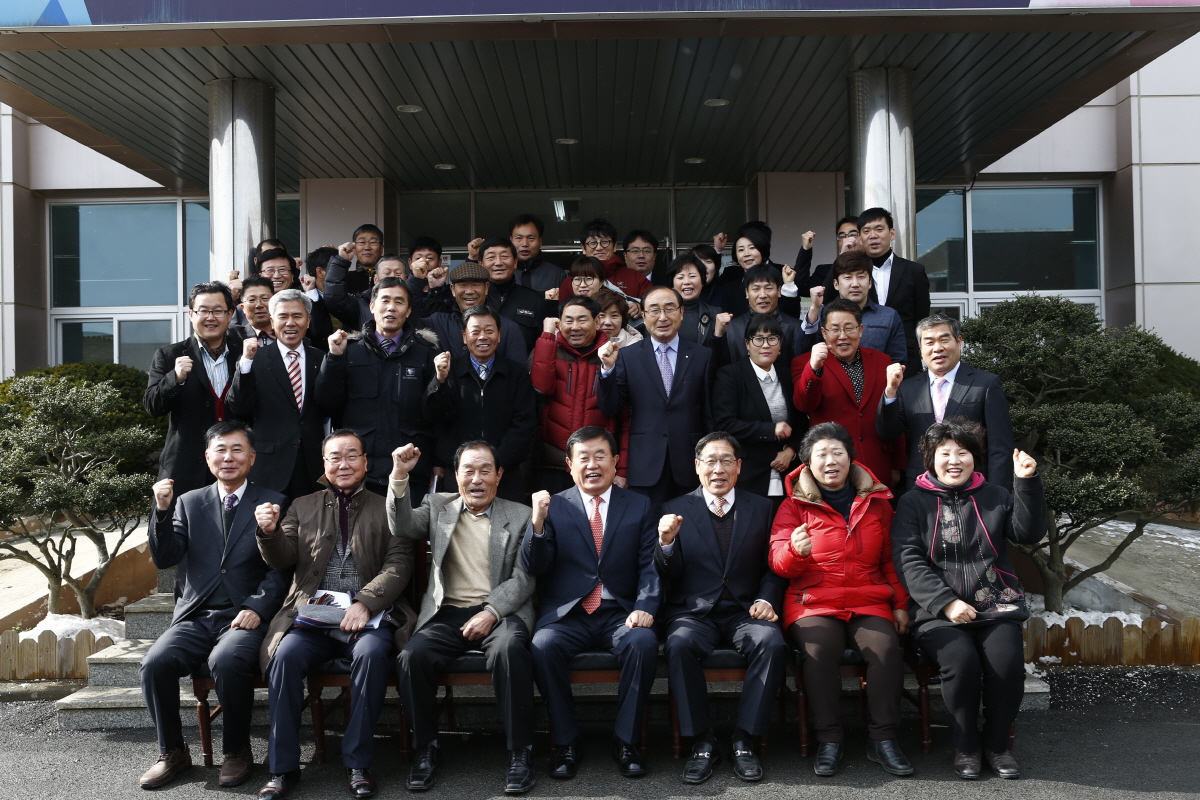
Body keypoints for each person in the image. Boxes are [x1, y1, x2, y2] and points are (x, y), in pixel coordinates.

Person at [254, 429, 417, 800]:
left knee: (373, 653)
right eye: (334, 457)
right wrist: (268, 532)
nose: (342, 464)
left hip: (370, 615)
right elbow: (282, 557)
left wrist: (365, 602)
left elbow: (399, 564)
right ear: (324, 464)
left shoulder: (388, 505)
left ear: (365, 462)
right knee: (285, 656)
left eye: (351, 456)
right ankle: (281, 769)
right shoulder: (302, 505)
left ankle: (358, 763)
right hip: (313, 616)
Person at [139, 422, 288, 790]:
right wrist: (160, 512)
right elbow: (165, 557)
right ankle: (172, 752)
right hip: (195, 615)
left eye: (238, 450)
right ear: (207, 458)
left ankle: (237, 751)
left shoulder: (274, 501)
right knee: (154, 663)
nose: (228, 457)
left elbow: (283, 568)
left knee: (227, 659)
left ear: (252, 457)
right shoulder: (188, 502)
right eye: (220, 450)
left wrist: (258, 606)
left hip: (243, 615)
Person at [891, 420, 1044, 780]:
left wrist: (1026, 482)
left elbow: (1028, 532)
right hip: (938, 612)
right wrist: (945, 603)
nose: (954, 460)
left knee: (1006, 667)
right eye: (944, 453)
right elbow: (908, 559)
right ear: (931, 459)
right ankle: (967, 745)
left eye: (962, 452)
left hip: (996, 603)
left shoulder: (995, 495)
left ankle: (997, 745)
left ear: (974, 457)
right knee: (960, 663)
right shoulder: (912, 503)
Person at [389, 441, 538, 794]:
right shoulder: (437, 506)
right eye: (468, 471)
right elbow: (402, 526)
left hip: (502, 611)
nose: (476, 479)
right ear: (456, 475)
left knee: (509, 650)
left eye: (485, 470)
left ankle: (521, 751)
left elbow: (524, 578)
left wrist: (491, 611)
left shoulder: (519, 515)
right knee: (412, 657)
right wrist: (399, 476)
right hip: (449, 612)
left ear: (499, 475)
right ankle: (426, 748)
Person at [768, 423, 913, 779]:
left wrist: (900, 603)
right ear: (807, 464)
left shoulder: (878, 503)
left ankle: (883, 738)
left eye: (838, 452)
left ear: (850, 458)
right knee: (820, 652)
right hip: (813, 602)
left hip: (868, 598)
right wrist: (795, 552)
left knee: (886, 649)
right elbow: (778, 561)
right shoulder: (793, 506)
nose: (831, 461)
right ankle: (829, 739)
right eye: (821, 455)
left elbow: (890, 559)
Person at [521, 427, 661, 780]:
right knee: (542, 645)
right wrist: (536, 522)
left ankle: (626, 740)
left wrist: (645, 605)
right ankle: (567, 742)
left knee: (643, 642)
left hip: (620, 613)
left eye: (600, 456)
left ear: (615, 461)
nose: (592, 464)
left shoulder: (639, 505)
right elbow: (535, 567)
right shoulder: (554, 506)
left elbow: (650, 564)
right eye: (583, 457)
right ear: (569, 465)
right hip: (569, 615)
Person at [657, 433, 787, 784]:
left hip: (746, 610)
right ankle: (702, 742)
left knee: (772, 643)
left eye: (726, 460)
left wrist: (766, 599)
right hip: (694, 613)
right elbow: (668, 575)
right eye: (710, 461)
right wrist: (666, 544)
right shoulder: (675, 509)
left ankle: (745, 739)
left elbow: (774, 567)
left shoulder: (762, 508)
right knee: (679, 644)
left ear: (739, 466)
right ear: (697, 467)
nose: (718, 469)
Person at [316, 278, 441, 501]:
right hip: (360, 472)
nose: (391, 307)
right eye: (385, 300)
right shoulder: (348, 350)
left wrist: (437, 461)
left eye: (399, 302)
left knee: (405, 535)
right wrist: (333, 358)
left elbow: (438, 414)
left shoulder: (426, 353)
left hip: (409, 471)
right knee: (359, 536)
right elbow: (326, 402)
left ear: (409, 310)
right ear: (372, 306)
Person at [598, 286, 714, 510]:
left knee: (690, 530)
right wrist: (607, 369)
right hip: (644, 461)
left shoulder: (703, 355)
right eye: (654, 310)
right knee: (647, 533)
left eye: (669, 309)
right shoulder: (628, 356)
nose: (662, 317)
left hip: (690, 462)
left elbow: (708, 413)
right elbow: (611, 407)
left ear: (681, 313)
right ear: (643, 315)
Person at [877, 314, 1015, 491]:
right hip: (921, 488)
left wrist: (997, 496)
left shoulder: (985, 384)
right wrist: (890, 391)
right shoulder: (908, 387)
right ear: (920, 348)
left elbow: (1000, 448)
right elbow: (887, 432)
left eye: (944, 340)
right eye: (929, 342)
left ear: (959, 341)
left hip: (973, 488)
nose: (937, 348)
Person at [425, 306, 537, 503]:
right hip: (460, 472)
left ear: (499, 335)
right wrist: (439, 381)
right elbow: (436, 419)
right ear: (464, 336)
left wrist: (498, 462)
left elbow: (525, 422)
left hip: (505, 472)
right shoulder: (449, 371)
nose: (482, 337)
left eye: (489, 331)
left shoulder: (516, 373)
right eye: (475, 331)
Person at [144, 282, 245, 498]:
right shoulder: (169, 355)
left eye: (218, 311)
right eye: (203, 311)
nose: (211, 317)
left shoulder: (244, 355)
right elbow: (152, 406)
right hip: (186, 466)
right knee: (179, 529)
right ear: (191, 314)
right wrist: (175, 378)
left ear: (230, 314)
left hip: (235, 465)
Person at [792, 299, 905, 488]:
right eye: (835, 329)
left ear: (860, 330)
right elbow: (804, 405)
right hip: (830, 469)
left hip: (877, 463)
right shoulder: (805, 363)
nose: (842, 336)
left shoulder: (882, 360)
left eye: (849, 328)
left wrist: (897, 465)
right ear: (824, 333)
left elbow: (893, 413)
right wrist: (814, 368)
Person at [225, 288, 325, 500]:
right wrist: (245, 364)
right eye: (283, 316)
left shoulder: (321, 359)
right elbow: (239, 407)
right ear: (272, 321)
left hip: (313, 465)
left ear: (308, 321)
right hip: (269, 467)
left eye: (297, 316)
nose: (290, 323)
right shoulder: (254, 359)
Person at [531, 295, 629, 495]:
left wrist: (623, 469)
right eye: (568, 320)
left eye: (582, 319)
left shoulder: (613, 356)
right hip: (553, 463)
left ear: (597, 321)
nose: (574, 327)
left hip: (598, 465)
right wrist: (548, 335)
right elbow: (542, 387)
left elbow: (625, 418)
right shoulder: (547, 349)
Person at [711, 315, 802, 501]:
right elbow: (725, 423)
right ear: (747, 343)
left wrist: (791, 451)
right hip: (749, 471)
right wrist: (770, 430)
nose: (765, 345)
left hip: (787, 471)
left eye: (772, 338)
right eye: (758, 339)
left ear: (780, 344)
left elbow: (801, 421)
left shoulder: (787, 375)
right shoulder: (730, 375)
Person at [853, 208, 931, 375]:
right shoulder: (852, 275)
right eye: (866, 231)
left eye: (879, 229)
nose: (873, 235)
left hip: (905, 357)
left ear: (892, 233)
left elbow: (922, 317)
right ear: (859, 238)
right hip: (860, 355)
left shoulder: (914, 271)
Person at [802, 250, 906, 364]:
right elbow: (803, 353)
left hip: (877, 380)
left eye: (861, 277)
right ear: (836, 284)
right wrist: (813, 309)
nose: (855, 284)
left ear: (870, 282)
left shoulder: (888, 316)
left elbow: (898, 360)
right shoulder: (821, 314)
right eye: (848, 277)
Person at [426, 262, 527, 364]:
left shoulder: (508, 327)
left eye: (476, 285)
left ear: (486, 288)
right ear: (452, 289)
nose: (469, 291)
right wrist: (423, 283)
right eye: (463, 285)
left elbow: (517, 373)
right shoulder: (438, 322)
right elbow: (410, 316)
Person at [712, 265, 805, 370]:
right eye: (756, 289)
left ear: (779, 291)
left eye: (769, 288)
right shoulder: (730, 329)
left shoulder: (797, 328)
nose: (762, 295)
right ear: (747, 293)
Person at [480, 236, 549, 352]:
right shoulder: (474, 299)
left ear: (515, 262)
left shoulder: (533, 299)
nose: (498, 262)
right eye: (491, 257)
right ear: (481, 264)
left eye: (504, 256)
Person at [557, 219, 652, 304]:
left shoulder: (635, 278)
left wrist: (639, 307)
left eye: (605, 242)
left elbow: (654, 307)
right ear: (583, 248)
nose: (599, 248)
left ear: (614, 246)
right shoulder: (570, 282)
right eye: (592, 243)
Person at [258, 247, 333, 352]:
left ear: (293, 275)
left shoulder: (305, 296)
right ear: (260, 275)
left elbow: (322, 332)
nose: (276, 275)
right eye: (270, 270)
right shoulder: (250, 302)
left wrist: (310, 292)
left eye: (282, 270)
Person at [325, 240, 411, 330]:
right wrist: (341, 261)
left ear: (406, 278)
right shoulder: (361, 304)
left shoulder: (413, 302)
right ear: (375, 279)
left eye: (398, 273)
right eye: (387, 273)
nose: (392, 277)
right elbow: (334, 300)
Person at [668, 253, 724, 349]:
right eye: (680, 277)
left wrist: (718, 335)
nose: (686, 282)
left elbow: (722, 355)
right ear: (672, 283)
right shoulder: (662, 314)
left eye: (692, 276)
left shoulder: (715, 314)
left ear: (702, 281)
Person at [509, 213, 567, 293]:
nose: (525, 244)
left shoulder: (557, 274)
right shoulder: (503, 272)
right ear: (511, 241)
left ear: (540, 241)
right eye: (519, 238)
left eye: (531, 238)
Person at [805, 216, 861, 292]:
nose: (847, 240)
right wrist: (806, 249)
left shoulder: (875, 268)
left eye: (853, 235)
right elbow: (801, 288)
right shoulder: (824, 271)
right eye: (842, 236)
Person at [238, 276, 276, 346]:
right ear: (243, 308)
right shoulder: (235, 339)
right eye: (252, 300)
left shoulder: (288, 335)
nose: (259, 305)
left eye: (265, 298)